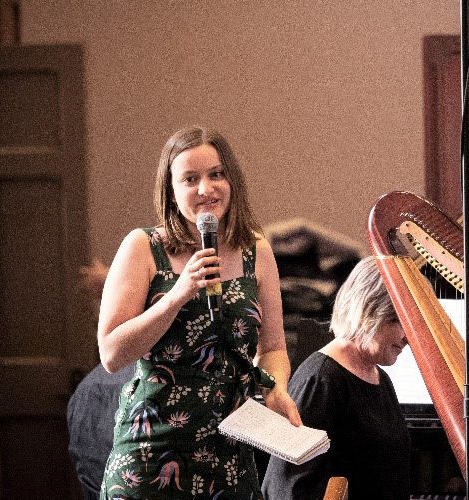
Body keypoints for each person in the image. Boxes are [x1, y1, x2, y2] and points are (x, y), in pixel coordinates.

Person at [98, 126, 302, 499]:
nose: (206, 189)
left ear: (232, 182)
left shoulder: (256, 250)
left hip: (230, 453)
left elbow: (272, 347)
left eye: (216, 174)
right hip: (152, 453)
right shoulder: (143, 247)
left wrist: (276, 390)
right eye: (190, 179)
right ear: (172, 192)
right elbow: (112, 354)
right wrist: (178, 294)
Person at [260, 256, 411, 499]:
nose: (407, 336)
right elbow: (287, 489)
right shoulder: (321, 381)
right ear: (367, 311)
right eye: (397, 321)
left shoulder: (381, 379)